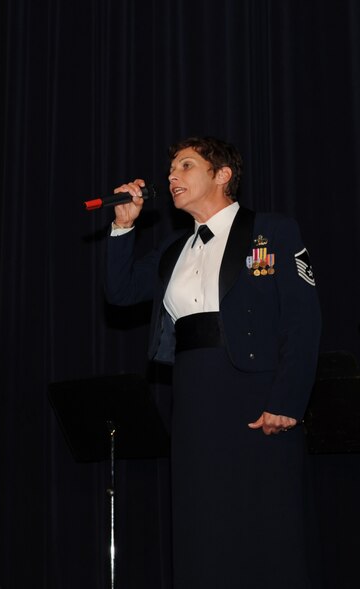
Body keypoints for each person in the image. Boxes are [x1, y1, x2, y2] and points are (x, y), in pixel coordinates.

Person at [104, 136, 321, 587]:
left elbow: (303, 322)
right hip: (194, 399)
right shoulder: (173, 249)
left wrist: (287, 401)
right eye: (171, 169)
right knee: (202, 527)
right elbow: (120, 292)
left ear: (222, 175)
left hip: (257, 399)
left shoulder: (272, 230)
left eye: (185, 166)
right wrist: (123, 227)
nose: (172, 176)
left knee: (266, 527)